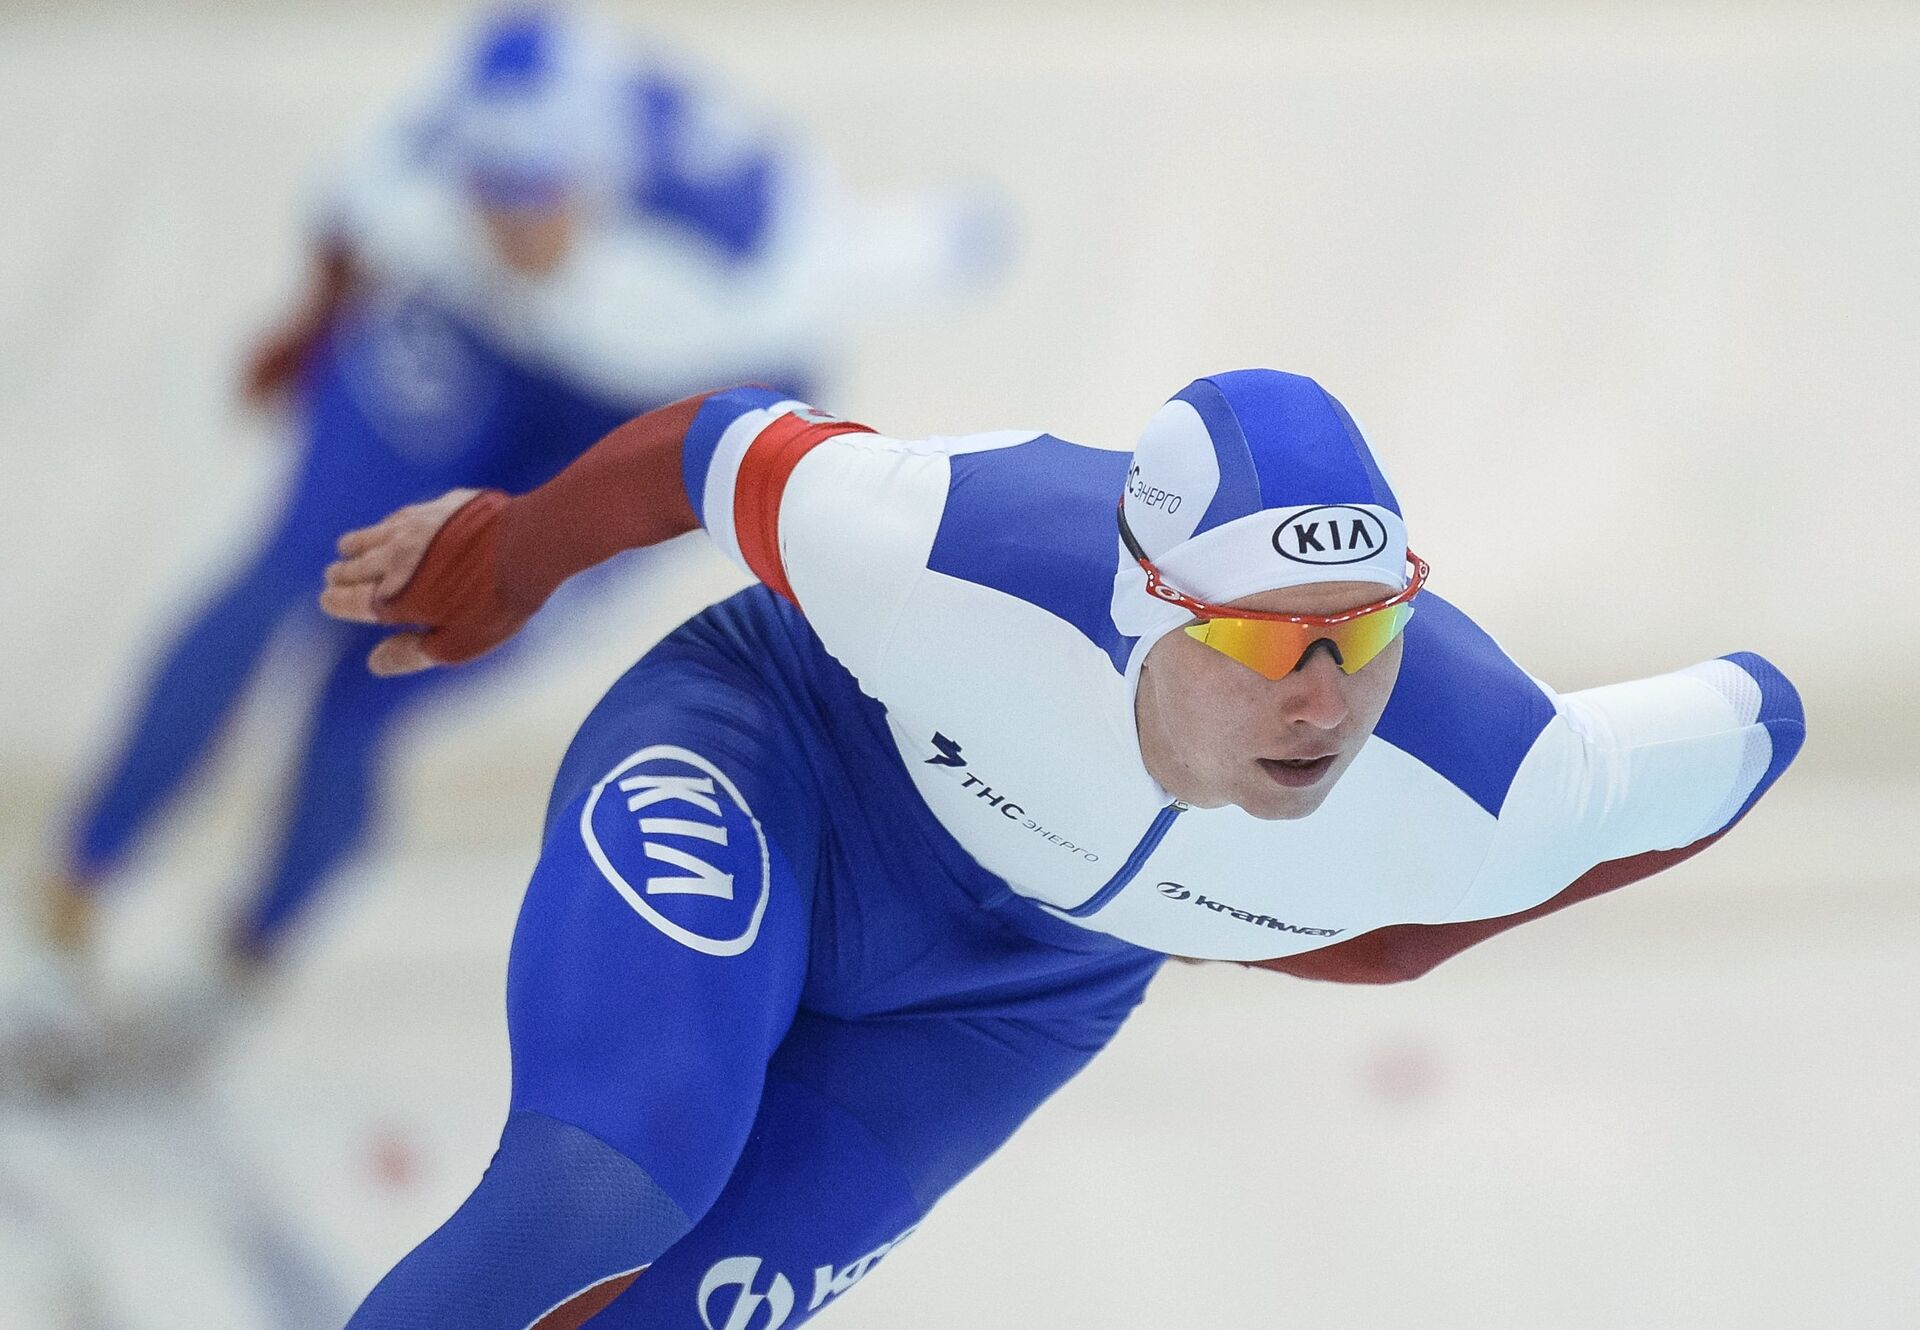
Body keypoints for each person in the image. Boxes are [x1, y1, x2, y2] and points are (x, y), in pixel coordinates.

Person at [318, 371, 1803, 1327]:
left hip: (1022, 993)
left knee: (685, 1309)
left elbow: (1752, 728)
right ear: (1148, 605)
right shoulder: (945, 547)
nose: (1328, 697)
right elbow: (708, 450)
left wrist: (1360, 928)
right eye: (1267, 639)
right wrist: (506, 561)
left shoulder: (1490, 778)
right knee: (611, 1175)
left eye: (1368, 629)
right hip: (783, 762)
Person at [13, 4, 1002, 1069]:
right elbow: (350, 211)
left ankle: (238, 970)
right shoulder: (429, 156)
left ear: (607, 173)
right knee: (283, 575)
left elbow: (952, 251)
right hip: (478, 344)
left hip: (633, 417)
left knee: (368, 694)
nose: (510, 228)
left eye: (539, 199)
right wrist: (310, 321)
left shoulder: (752, 249)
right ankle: (68, 903)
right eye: (488, 193)